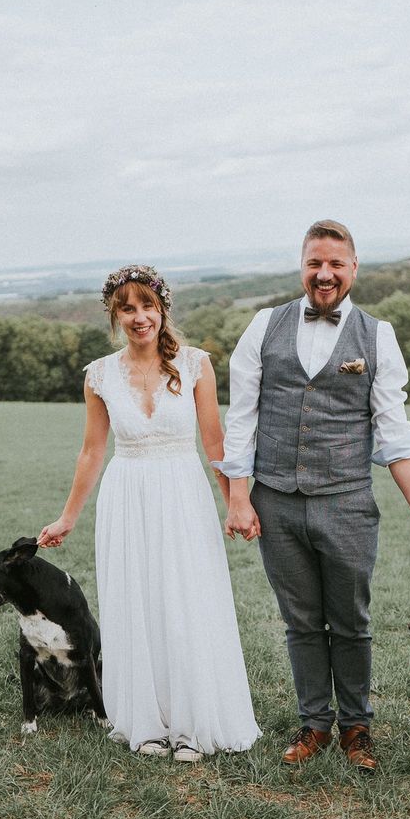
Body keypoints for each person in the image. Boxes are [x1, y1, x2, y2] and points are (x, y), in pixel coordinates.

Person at [218, 220, 410, 772]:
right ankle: (313, 724)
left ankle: (357, 728)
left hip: (347, 501)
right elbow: (242, 418)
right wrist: (238, 497)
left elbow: (395, 434)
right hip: (274, 500)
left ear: (353, 269)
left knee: (350, 621)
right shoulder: (262, 326)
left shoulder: (379, 336)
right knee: (300, 620)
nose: (323, 275)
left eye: (335, 264)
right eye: (313, 263)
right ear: (302, 265)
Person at [38, 265, 261, 762]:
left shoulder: (197, 364)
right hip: (127, 497)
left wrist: (236, 504)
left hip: (182, 493)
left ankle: (190, 724)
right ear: (115, 316)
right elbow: (92, 452)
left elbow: (214, 441)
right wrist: (67, 518)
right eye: (127, 309)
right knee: (137, 602)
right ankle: (149, 722)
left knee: (185, 601)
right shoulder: (99, 375)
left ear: (162, 309)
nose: (139, 317)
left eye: (147, 306)